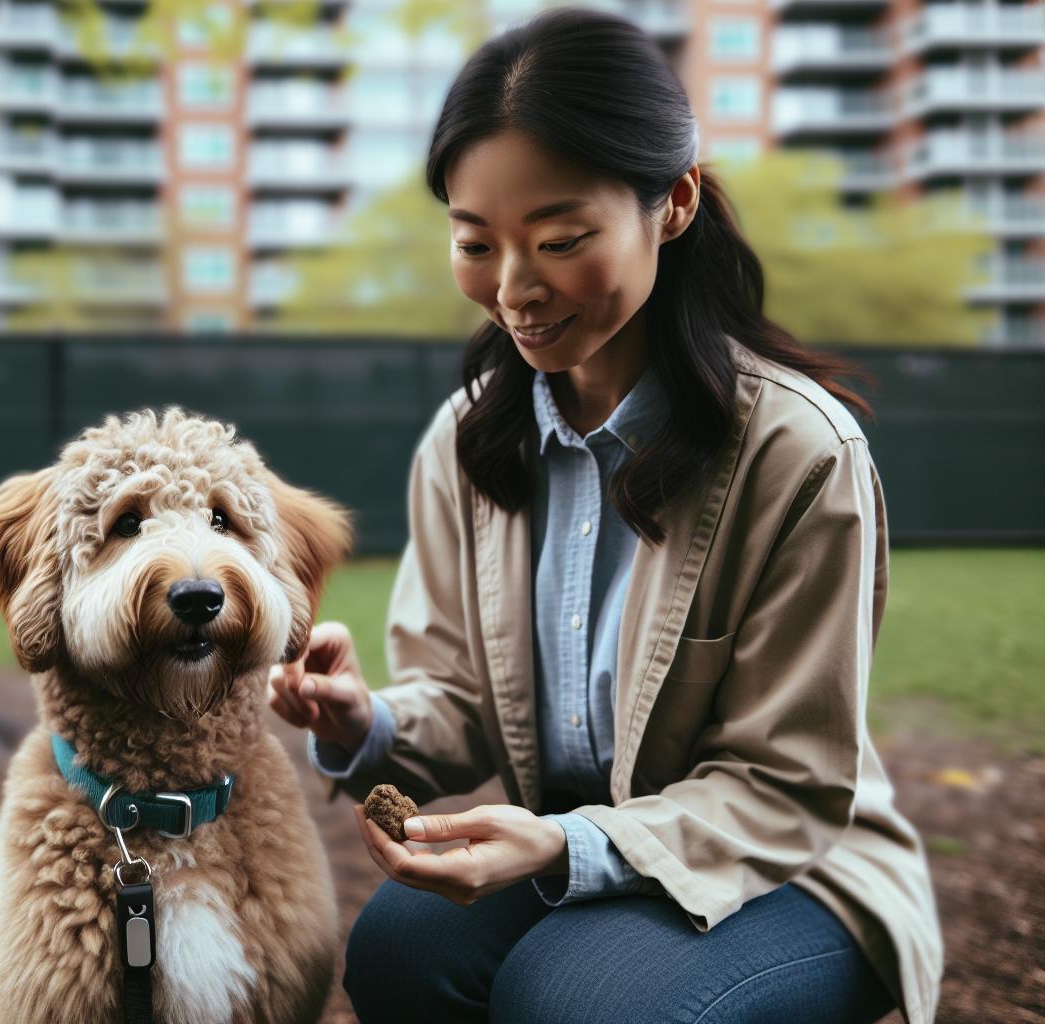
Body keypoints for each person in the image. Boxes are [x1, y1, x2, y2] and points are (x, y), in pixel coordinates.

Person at [265, 9, 941, 1023]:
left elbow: (784, 784)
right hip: (585, 843)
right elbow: (461, 694)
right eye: (474, 243)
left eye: (560, 239)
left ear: (671, 204)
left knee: (579, 999)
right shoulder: (466, 440)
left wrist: (567, 844)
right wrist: (368, 719)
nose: (514, 287)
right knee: (398, 949)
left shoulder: (800, 451)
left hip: (795, 866)